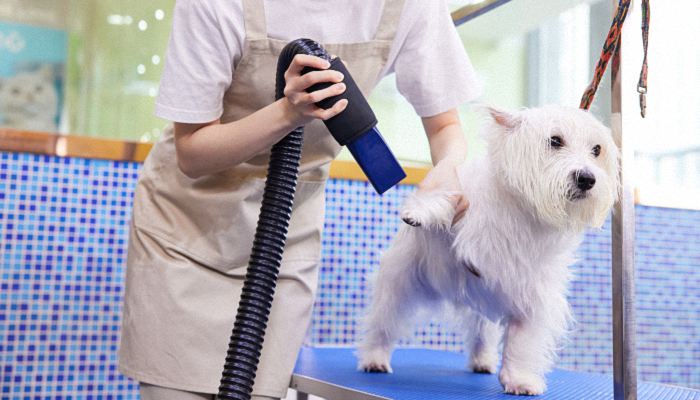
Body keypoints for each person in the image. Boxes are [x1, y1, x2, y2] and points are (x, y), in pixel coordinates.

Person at [118, 0, 481, 399]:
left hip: (285, 234)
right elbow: (192, 152)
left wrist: (449, 167)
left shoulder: (411, 6)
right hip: (188, 231)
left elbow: (446, 126)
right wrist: (288, 113)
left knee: (259, 388)